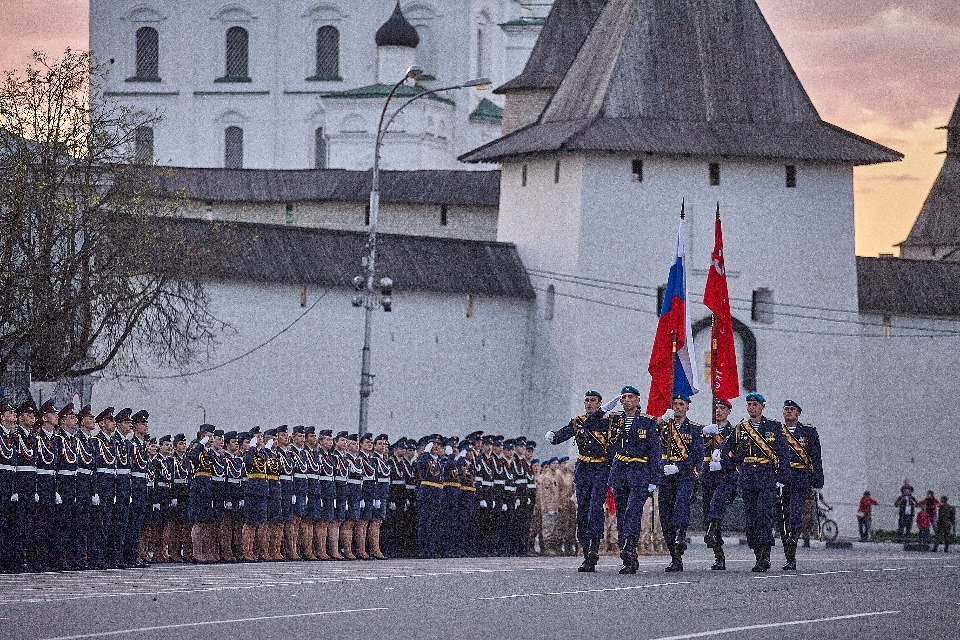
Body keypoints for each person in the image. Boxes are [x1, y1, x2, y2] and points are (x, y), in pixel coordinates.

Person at [588, 385, 663, 574]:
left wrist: (655, 479)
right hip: (620, 471)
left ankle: (630, 544)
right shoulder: (614, 419)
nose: (627, 400)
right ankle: (628, 555)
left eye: (630, 397)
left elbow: (655, 452)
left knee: (633, 510)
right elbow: (590, 424)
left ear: (637, 400)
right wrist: (604, 408)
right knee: (622, 513)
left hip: (639, 472)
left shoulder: (647, 422)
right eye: (624, 397)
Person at [545, 391, 614, 571]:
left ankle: (593, 546)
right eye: (587, 401)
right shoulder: (578, 422)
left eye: (593, 401)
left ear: (600, 403)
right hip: (584, 469)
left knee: (595, 508)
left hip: (600, 469)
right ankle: (585, 547)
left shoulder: (607, 422)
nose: (589, 404)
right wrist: (552, 436)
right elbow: (563, 435)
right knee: (582, 509)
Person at [720, 392, 788, 572]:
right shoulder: (741, 428)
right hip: (748, 478)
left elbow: (783, 454)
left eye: (755, 405)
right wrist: (734, 467)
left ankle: (765, 555)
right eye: (749, 405)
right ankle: (757, 552)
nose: (752, 408)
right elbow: (727, 451)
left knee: (763, 516)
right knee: (751, 520)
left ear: (762, 407)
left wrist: (781, 478)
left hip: (766, 478)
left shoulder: (774, 427)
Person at [658, 394, 704, 572]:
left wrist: (678, 466)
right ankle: (675, 557)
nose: (677, 407)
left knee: (680, 505)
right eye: (675, 404)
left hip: (685, 475)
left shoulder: (694, 429)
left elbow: (697, 455)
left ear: (687, 407)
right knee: (665, 516)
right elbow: (653, 448)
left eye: (681, 404)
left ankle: (681, 533)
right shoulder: (663, 428)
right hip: (665, 476)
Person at [777, 400, 823, 571]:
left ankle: (792, 554)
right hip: (783, 478)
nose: (788, 412)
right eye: (786, 409)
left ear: (798, 413)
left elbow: (816, 458)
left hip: (801, 477)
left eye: (792, 409)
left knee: (795, 514)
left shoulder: (808, 432)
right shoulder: (777, 431)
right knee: (784, 518)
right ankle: (788, 554)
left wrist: (818, 481)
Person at [701, 397, 737, 570]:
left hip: (726, 475)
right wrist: (703, 434)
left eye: (722, 408)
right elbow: (697, 450)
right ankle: (718, 555)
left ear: (729, 411)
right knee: (709, 513)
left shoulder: (734, 432)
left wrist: (724, 463)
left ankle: (712, 531)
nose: (719, 411)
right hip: (709, 475)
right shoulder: (709, 431)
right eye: (716, 408)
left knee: (716, 503)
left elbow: (739, 456)